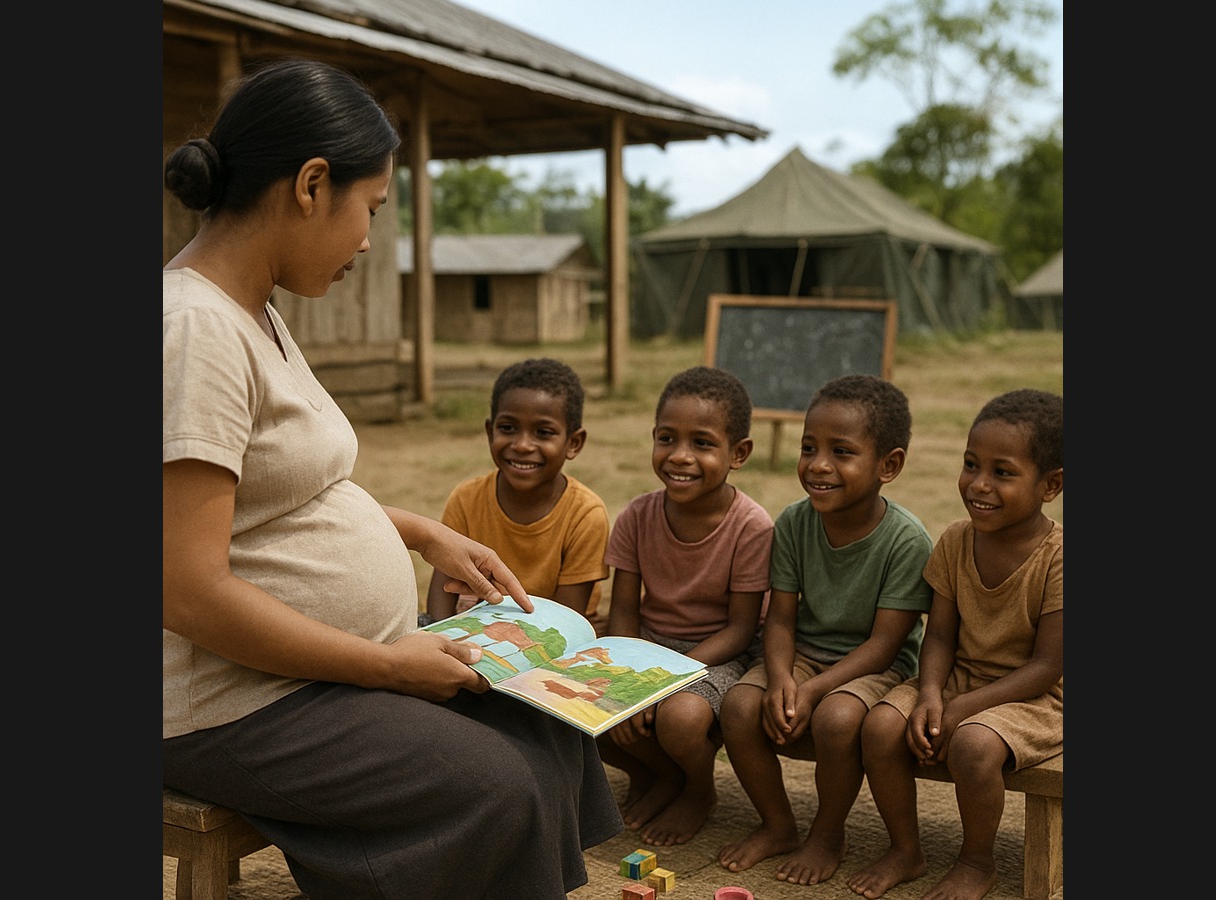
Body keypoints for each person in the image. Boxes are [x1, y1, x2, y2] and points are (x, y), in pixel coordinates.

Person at [161, 57, 621, 900]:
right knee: (491, 781)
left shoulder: (254, 310)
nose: (369, 240)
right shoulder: (194, 331)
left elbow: (277, 491)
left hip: (302, 674)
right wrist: (389, 668)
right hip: (230, 702)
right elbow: (189, 591)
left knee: (549, 721)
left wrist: (416, 529)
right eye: (368, 209)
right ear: (309, 184)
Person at [717, 373, 933, 886]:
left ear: (890, 465)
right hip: (804, 653)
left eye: (841, 452)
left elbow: (885, 646)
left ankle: (827, 833)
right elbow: (781, 620)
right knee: (741, 706)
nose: (818, 465)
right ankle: (778, 825)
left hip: (876, 665)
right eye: (808, 447)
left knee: (837, 719)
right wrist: (781, 679)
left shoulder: (906, 541)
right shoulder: (794, 522)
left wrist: (812, 689)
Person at [847, 388, 1063, 900]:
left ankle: (976, 861)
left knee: (971, 744)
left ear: (1051, 484)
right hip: (958, 677)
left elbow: (1048, 664)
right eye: (971, 464)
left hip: (1034, 697)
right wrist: (929, 693)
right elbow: (939, 634)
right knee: (880, 725)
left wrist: (962, 708)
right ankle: (906, 850)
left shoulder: (1057, 557)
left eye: (1003, 472)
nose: (979, 484)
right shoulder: (954, 540)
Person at [598, 366, 774, 847]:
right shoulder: (636, 515)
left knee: (679, 718)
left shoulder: (751, 526)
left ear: (738, 453)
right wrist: (630, 674)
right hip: (650, 644)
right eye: (666, 438)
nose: (680, 456)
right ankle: (660, 776)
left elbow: (740, 631)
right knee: (582, 703)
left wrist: (659, 679)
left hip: (718, 653)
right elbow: (624, 614)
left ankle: (698, 791)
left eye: (702, 443)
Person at [422, 357, 610, 629]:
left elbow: (564, 622)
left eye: (543, 433)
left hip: (557, 636)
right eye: (507, 428)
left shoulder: (585, 514)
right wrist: (443, 642)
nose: (522, 445)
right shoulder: (466, 500)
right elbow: (441, 603)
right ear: (490, 432)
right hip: (479, 629)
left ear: (573, 443)